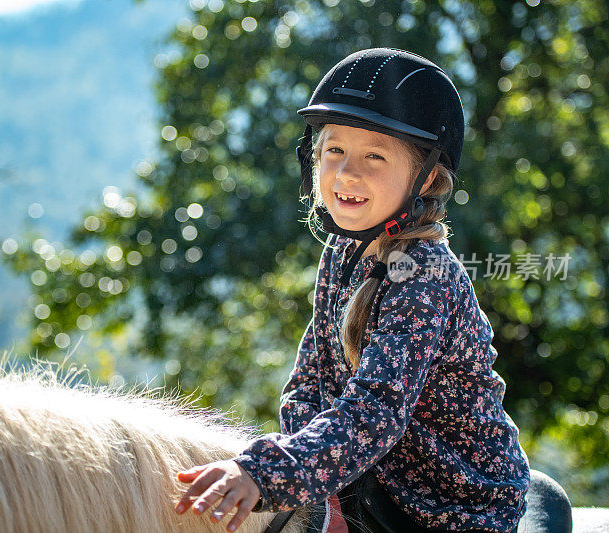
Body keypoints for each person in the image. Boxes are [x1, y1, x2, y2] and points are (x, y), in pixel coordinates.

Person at [173, 48, 535, 533]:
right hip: (371, 485)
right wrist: (301, 472)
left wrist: (266, 472)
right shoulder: (342, 253)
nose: (346, 173)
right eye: (334, 151)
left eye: (374, 156)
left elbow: (375, 411)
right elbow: (308, 383)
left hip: (451, 507)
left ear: (426, 176)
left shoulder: (423, 276)